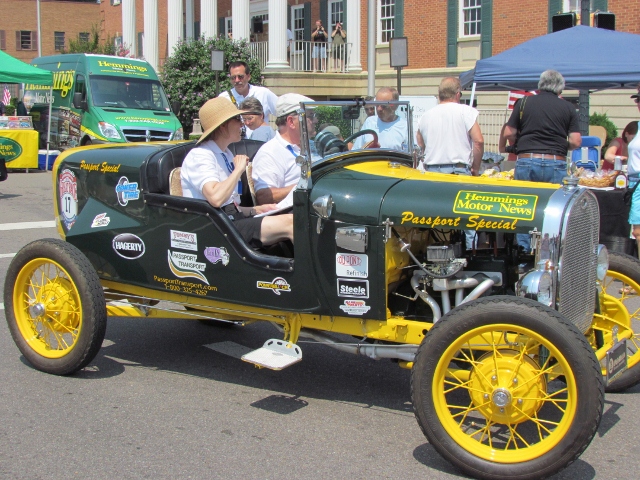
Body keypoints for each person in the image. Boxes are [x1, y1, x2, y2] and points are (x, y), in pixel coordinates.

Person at [180, 97, 293, 248]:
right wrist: (238, 170)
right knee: (291, 224)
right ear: (222, 126)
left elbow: (231, 206)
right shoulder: (200, 155)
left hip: (231, 221)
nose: (242, 124)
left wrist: (257, 209)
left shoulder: (224, 153)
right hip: (214, 229)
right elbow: (216, 199)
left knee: (294, 217)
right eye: (237, 119)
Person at [500, 69, 581, 250]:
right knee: (552, 211)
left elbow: (509, 133)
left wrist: (522, 141)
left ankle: (524, 255)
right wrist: (561, 146)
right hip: (556, 161)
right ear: (560, 88)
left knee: (523, 209)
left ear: (540, 84)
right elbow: (575, 141)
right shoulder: (568, 107)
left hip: (527, 160)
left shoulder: (524, 103)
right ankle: (547, 256)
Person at [252, 93, 314, 205]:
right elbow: (264, 196)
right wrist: (304, 185)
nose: (315, 121)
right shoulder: (270, 152)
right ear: (291, 122)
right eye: (310, 116)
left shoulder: (314, 145)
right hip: (295, 215)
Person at [416, 77, 484, 176]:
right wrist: (475, 168)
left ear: (440, 95)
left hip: (431, 171)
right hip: (458, 170)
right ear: (457, 94)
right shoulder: (466, 111)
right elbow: (478, 141)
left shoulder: (425, 116)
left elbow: (420, 143)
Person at [627, 87, 640, 257]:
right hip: (634, 184)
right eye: (637, 99)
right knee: (637, 231)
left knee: (639, 232)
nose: (638, 104)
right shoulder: (637, 126)